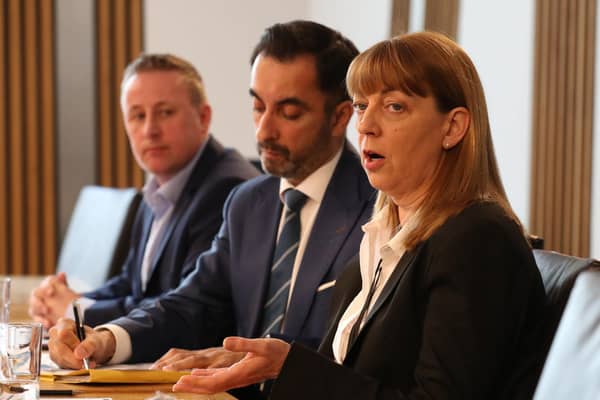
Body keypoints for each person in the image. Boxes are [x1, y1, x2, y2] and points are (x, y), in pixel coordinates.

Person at [170, 31, 547, 400]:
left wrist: (291, 367)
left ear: (452, 127)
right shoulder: (381, 236)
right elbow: (349, 378)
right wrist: (266, 366)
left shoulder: (478, 238)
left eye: (394, 106)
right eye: (363, 105)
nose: (365, 125)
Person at [48, 20, 375, 377]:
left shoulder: (378, 209)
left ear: (340, 116)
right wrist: (110, 338)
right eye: (257, 107)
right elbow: (193, 301)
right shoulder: (248, 203)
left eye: (288, 112)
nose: (264, 130)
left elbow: (356, 352)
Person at [29, 54, 259, 328]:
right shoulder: (158, 187)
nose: (150, 130)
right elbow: (133, 283)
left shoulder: (226, 190)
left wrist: (77, 311)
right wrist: (62, 302)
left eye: (165, 113)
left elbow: (186, 309)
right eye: (138, 115)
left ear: (203, 118)